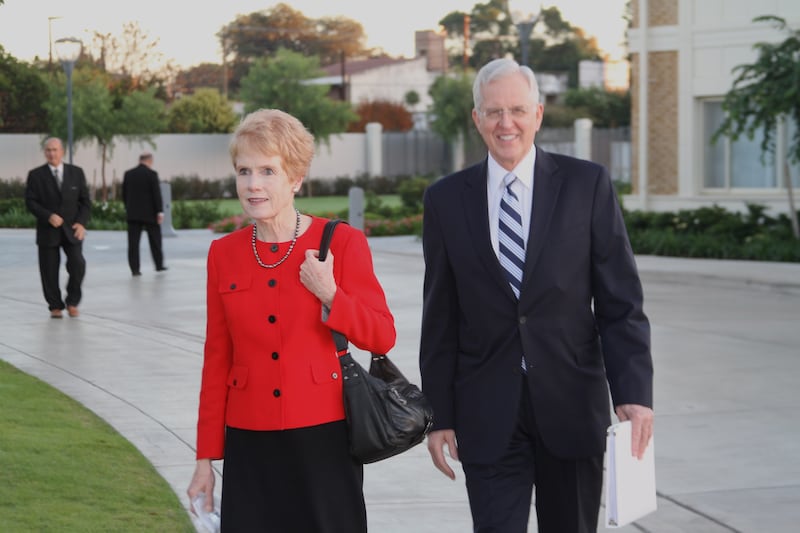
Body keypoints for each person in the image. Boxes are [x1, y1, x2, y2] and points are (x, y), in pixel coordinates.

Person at [419, 58, 654, 533]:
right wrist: (438, 414)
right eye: (494, 112)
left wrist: (633, 392)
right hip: (485, 414)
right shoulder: (445, 199)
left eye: (518, 110)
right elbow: (440, 315)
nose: (506, 123)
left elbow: (620, 303)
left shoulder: (587, 185)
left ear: (539, 114)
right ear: (476, 119)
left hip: (571, 406)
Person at [186, 108, 396, 532]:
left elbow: (382, 335)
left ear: (296, 178)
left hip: (325, 439)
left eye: (267, 170)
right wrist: (205, 459)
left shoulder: (342, 244)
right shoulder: (223, 254)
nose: (253, 184)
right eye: (244, 171)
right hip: (249, 441)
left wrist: (331, 294)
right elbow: (216, 360)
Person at [25, 137, 91, 318]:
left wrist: (82, 223)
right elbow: (30, 202)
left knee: (78, 264)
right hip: (48, 231)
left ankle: (72, 301)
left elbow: (85, 201)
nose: (51, 153)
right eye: (48, 150)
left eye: (55, 150)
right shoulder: (36, 175)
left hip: (72, 230)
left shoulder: (76, 173)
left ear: (62, 152)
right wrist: (48, 216)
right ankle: (55, 305)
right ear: (45, 153)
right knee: (49, 270)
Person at [122, 152, 167, 276]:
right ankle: (159, 265)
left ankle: (135, 269)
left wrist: (128, 208)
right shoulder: (152, 175)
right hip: (150, 214)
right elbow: (156, 195)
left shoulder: (128, 174)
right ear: (150, 160)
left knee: (133, 244)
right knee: (155, 241)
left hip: (133, 214)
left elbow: (124, 194)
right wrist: (160, 211)